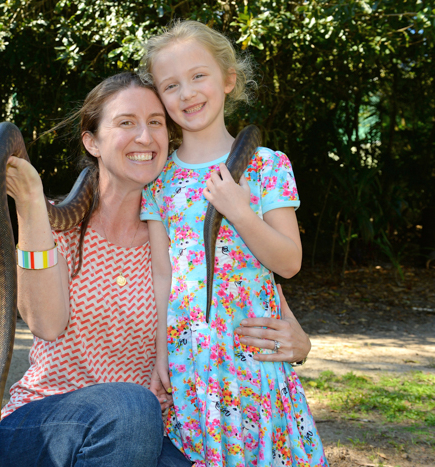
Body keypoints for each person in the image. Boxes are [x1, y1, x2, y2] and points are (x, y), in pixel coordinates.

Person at [0, 72, 312, 467]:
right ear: (91, 141)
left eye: (156, 123)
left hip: (141, 434)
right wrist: (28, 200)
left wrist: (297, 345)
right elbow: (46, 322)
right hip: (45, 425)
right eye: (126, 122)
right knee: (131, 404)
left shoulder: (179, 239)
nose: (145, 137)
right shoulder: (57, 225)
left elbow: (245, 300)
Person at [139, 21, 328, 466]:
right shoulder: (159, 179)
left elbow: (289, 263)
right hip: (191, 357)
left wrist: (240, 211)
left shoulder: (266, 166)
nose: (186, 93)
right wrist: (163, 353)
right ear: (160, 98)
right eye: (171, 85)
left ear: (228, 79)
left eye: (198, 76)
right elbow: (162, 273)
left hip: (252, 353)